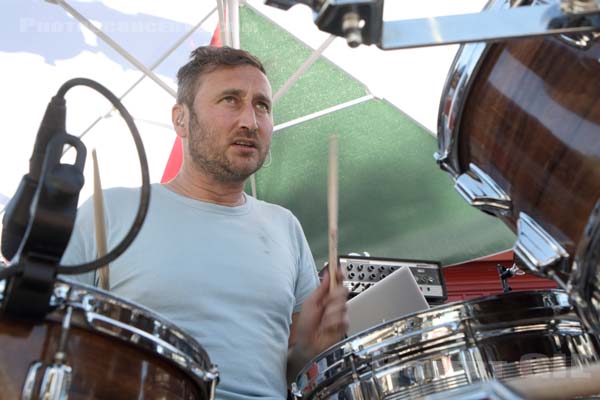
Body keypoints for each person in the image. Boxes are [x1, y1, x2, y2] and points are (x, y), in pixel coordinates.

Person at [61, 46, 349, 400]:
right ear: (181, 119)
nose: (250, 121)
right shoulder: (110, 210)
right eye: (230, 100)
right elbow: (44, 338)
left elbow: (289, 371)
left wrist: (308, 348)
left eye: (262, 105)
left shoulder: (285, 226)